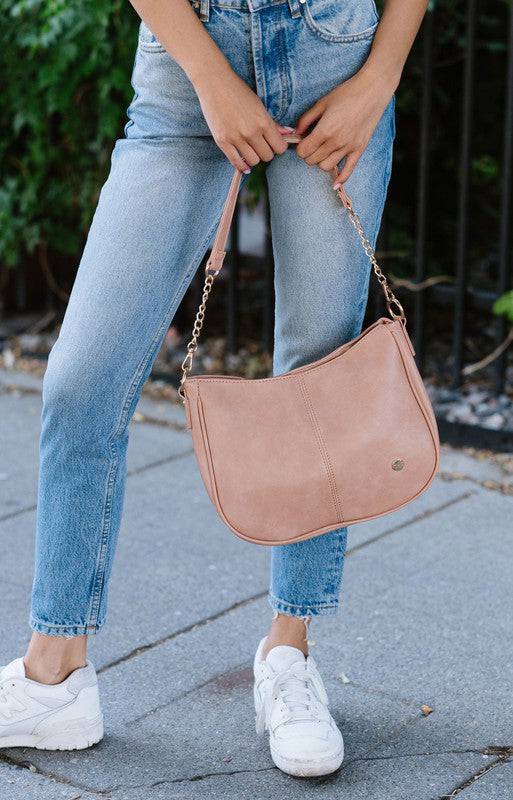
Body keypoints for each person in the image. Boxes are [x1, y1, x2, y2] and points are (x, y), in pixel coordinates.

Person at [0, 0, 427, 777]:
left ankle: (288, 656)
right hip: (185, 57)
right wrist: (210, 76)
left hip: (333, 49)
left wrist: (378, 79)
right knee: (81, 378)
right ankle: (53, 675)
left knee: (316, 378)